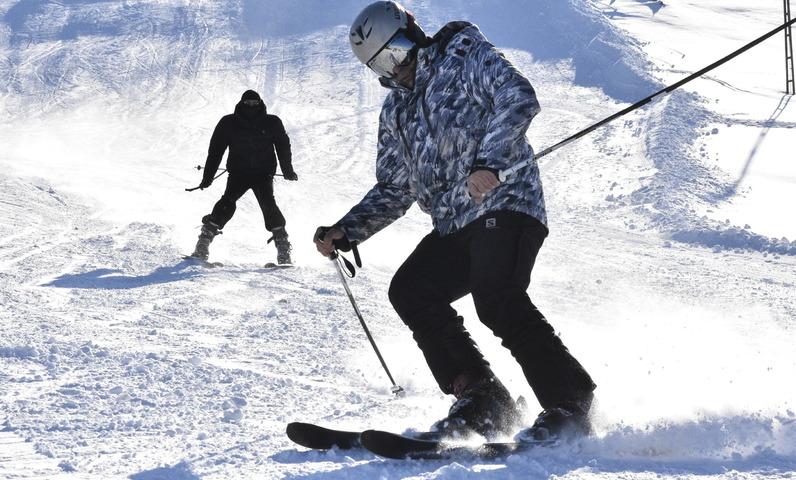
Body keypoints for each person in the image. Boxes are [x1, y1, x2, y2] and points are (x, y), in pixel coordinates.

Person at [314, 1, 596, 442]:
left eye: (398, 51)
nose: (397, 67)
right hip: (454, 224)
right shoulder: (396, 112)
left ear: (413, 32)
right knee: (411, 290)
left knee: (496, 296)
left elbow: (517, 96)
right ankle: (484, 400)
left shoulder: (462, 54)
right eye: (382, 64)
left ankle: (569, 404)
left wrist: (490, 162)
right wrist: (348, 229)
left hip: (506, 202)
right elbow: (395, 187)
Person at [191, 90, 298, 264]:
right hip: (238, 173)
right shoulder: (229, 123)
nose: (251, 106)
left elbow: (283, 147)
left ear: (260, 104)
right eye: (247, 103)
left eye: (255, 103)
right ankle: (203, 242)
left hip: (263, 173)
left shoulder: (272, 122)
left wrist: (287, 170)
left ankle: (283, 248)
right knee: (227, 202)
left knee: (268, 205)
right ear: (241, 104)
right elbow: (216, 151)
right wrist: (208, 177)